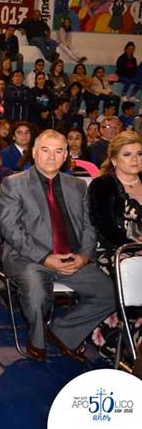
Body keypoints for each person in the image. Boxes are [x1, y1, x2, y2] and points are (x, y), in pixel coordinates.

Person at [0, 130, 116, 363]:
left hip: (72, 257)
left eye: (58, 151)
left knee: (110, 294)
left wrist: (84, 256)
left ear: (65, 156)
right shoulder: (14, 183)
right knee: (37, 294)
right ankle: (37, 340)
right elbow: (10, 229)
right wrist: (45, 258)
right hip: (28, 258)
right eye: (45, 150)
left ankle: (61, 333)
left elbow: (89, 226)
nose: (51, 156)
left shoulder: (78, 185)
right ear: (34, 153)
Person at [88, 131, 142, 360]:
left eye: (139, 154)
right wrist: (134, 245)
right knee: (133, 270)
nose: (135, 159)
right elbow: (105, 227)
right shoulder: (102, 185)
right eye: (127, 154)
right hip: (114, 249)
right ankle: (126, 343)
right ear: (114, 159)